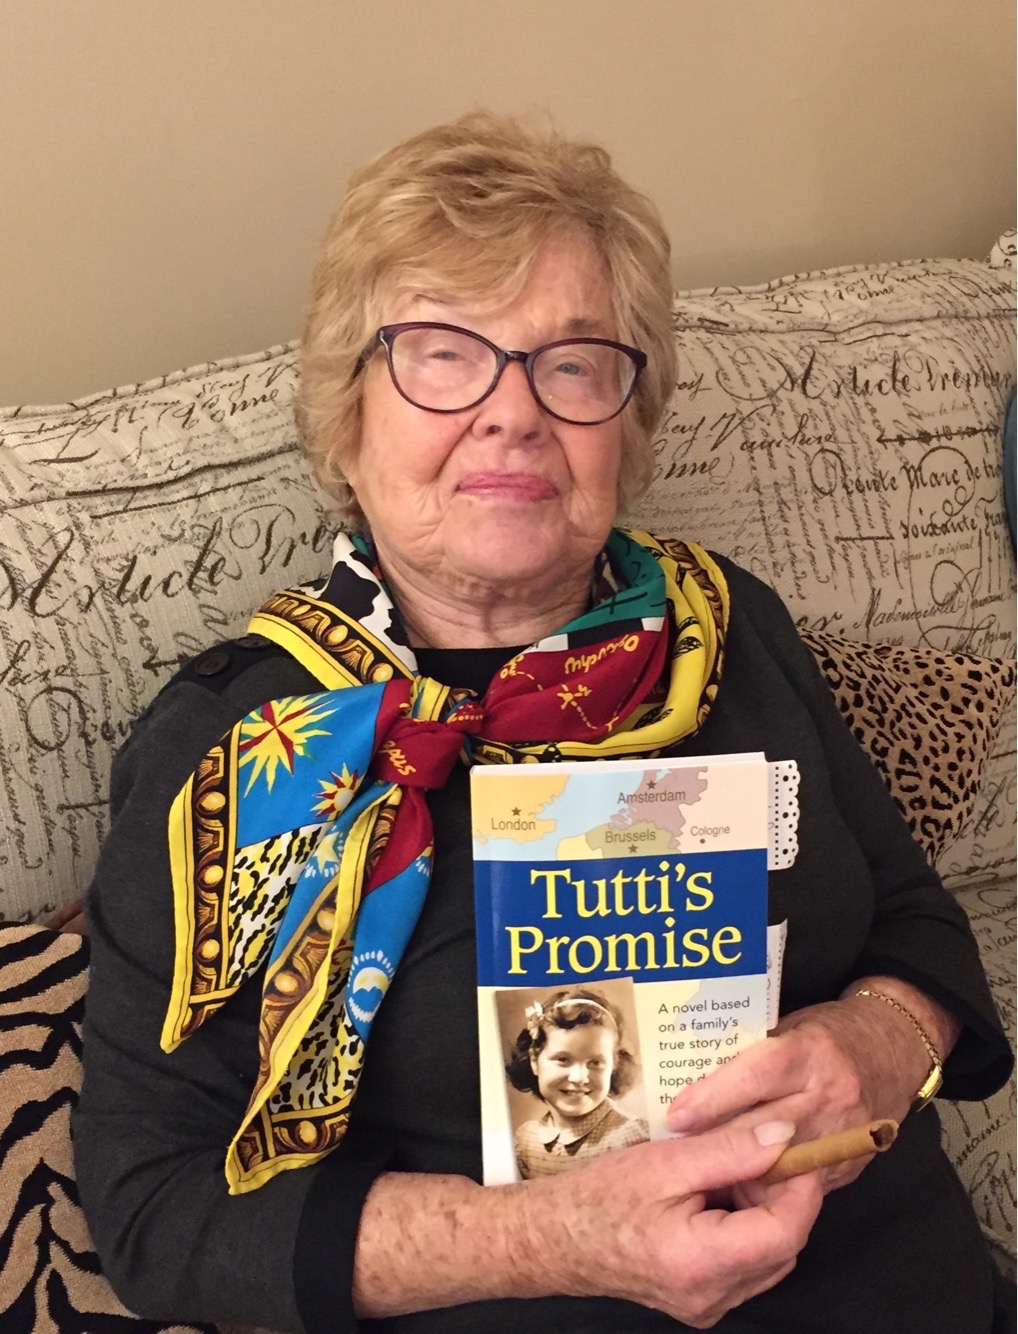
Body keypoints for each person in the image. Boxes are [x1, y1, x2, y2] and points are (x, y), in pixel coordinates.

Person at [73, 111, 1013, 1334]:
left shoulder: (726, 628)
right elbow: (155, 1207)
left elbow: (915, 919)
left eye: (570, 364)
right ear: (346, 419)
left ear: (628, 421)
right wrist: (547, 1237)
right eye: (441, 353)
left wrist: (879, 1038)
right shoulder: (240, 744)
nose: (513, 412)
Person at [505, 988, 649, 1179]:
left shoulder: (629, 1136)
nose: (579, 1077)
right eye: (563, 1059)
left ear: (613, 1065)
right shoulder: (527, 1139)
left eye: (595, 1063)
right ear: (534, 1061)